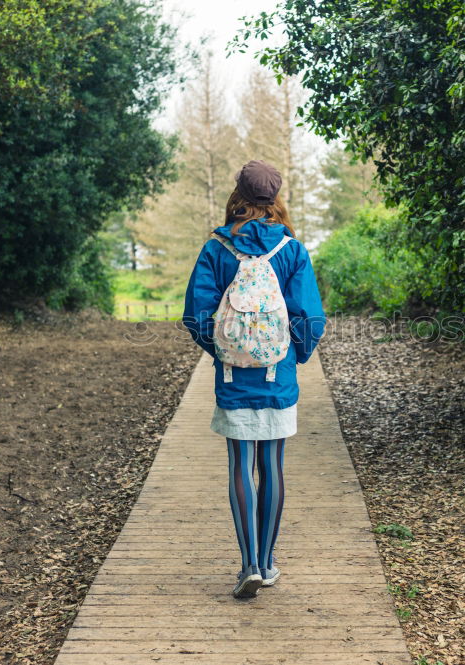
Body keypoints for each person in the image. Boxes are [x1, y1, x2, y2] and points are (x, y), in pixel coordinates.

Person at [183, 160, 326, 599]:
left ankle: (247, 565)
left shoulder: (217, 248)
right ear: (275, 199)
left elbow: (195, 315)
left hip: (233, 377)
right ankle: (266, 562)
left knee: (240, 466)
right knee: (273, 466)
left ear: (238, 197)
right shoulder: (291, 250)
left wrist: (224, 351)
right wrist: (291, 358)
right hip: (276, 376)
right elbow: (310, 318)